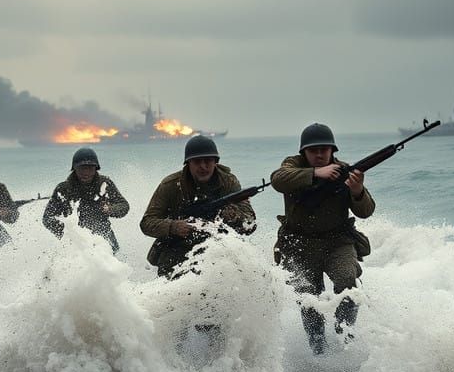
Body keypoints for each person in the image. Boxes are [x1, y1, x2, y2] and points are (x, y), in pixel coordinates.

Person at [271, 123, 375, 355]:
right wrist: (315, 174)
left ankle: (344, 334)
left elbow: (366, 211)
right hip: (298, 243)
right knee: (308, 298)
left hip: (337, 242)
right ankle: (318, 348)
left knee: (348, 281)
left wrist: (357, 191)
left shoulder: (345, 171)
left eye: (324, 150)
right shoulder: (293, 166)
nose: (319, 154)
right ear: (304, 153)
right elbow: (278, 179)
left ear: (332, 150)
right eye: (313, 150)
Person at [140, 135, 256, 278]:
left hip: (216, 249)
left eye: (208, 161)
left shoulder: (228, 182)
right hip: (176, 252)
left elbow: (250, 223)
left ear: (215, 162)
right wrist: (173, 227)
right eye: (197, 162)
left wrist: (234, 216)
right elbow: (146, 223)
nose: (203, 166)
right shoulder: (171, 185)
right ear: (188, 163)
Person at [42, 147, 129, 252]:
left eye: (90, 168)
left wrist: (110, 209)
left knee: (112, 263)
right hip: (75, 241)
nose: (86, 172)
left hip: (103, 236)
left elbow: (123, 205)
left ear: (96, 168)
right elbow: (48, 218)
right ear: (75, 169)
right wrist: (69, 233)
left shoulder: (104, 184)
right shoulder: (63, 189)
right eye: (82, 168)